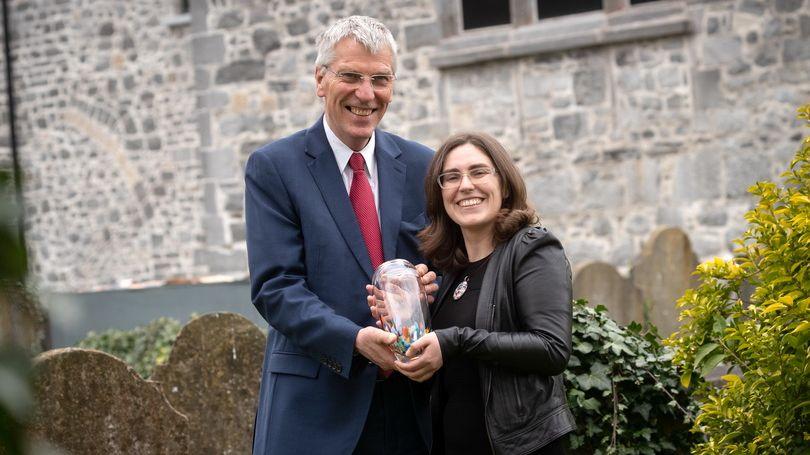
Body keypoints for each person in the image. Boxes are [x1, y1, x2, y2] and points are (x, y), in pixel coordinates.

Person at [244, 16, 435, 455]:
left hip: (411, 406)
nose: (366, 94)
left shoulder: (423, 164)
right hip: (316, 409)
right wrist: (354, 340)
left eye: (380, 79)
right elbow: (275, 288)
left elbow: (446, 266)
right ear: (320, 80)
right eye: (350, 76)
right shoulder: (275, 168)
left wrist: (430, 286)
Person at [391, 132, 576, 454]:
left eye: (478, 172)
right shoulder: (448, 270)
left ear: (504, 185)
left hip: (521, 447)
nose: (465, 186)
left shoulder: (532, 247)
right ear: (440, 194)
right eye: (451, 177)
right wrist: (401, 324)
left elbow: (551, 348)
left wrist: (454, 340)